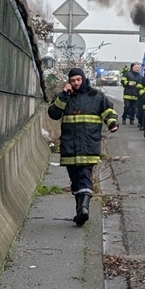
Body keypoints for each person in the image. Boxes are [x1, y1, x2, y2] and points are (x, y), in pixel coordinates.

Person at [47, 68, 119, 225]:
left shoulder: (96, 96)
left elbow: (108, 111)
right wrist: (64, 95)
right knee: (75, 180)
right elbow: (53, 113)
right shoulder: (66, 97)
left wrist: (112, 123)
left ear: (84, 79)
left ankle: (84, 209)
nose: (76, 83)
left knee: (85, 177)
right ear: (69, 81)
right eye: (73, 80)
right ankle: (80, 210)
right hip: (70, 146)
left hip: (89, 144)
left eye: (78, 80)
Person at [120, 62, 142, 126]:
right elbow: (122, 81)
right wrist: (128, 83)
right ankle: (124, 118)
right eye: (136, 67)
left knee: (134, 108)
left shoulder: (139, 76)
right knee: (127, 107)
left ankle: (131, 120)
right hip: (128, 94)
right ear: (132, 67)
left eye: (138, 68)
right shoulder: (127, 74)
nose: (137, 69)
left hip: (135, 95)